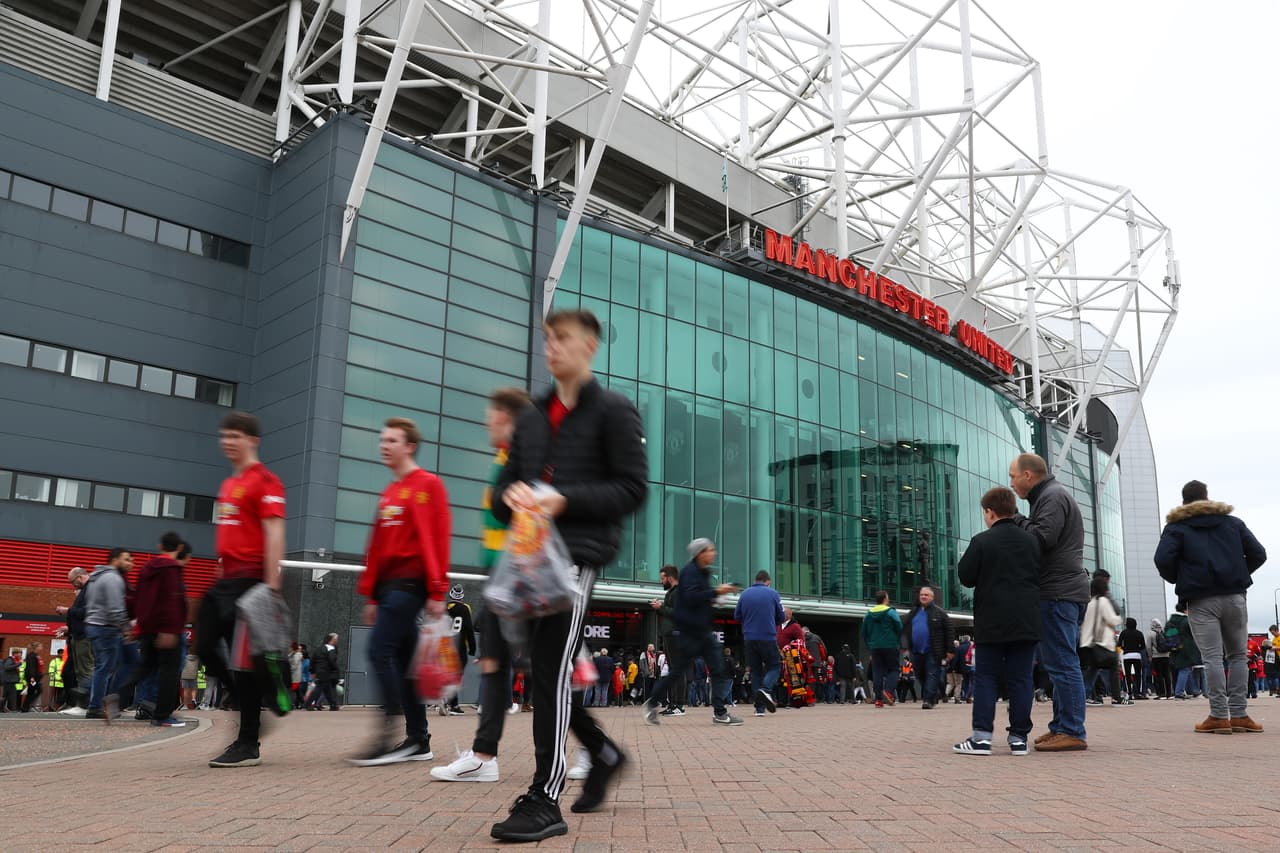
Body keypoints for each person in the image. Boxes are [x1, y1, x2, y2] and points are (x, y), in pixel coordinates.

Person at [487, 308, 647, 841]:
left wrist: (563, 499)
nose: (552, 347)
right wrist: (509, 496)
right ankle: (602, 753)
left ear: (590, 348)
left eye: (563, 339)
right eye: (548, 339)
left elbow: (632, 489)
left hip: (577, 557)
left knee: (553, 668)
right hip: (530, 564)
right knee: (545, 674)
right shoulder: (533, 415)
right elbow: (503, 489)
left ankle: (544, 796)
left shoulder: (614, 412)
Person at [432, 387, 534, 784]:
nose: (486, 422)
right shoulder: (504, 461)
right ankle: (483, 756)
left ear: (509, 421)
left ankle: (596, 749)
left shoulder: (523, 463)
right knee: (496, 667)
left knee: (537, 670)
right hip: (502, 582)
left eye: (492, 416)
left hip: (518, 582)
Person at [348, 417, 451, 765]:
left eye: (392, 440)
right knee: (406, 663)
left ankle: (386, 733)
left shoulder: (428, 485)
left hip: (412, 585)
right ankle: (418, 740)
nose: (384, 445)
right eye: (382, 439)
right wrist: (372, 595)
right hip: (389, 588)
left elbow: (437, 538)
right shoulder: (389, 493)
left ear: (409, 446)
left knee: (378, 650)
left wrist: (438, 590)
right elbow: (375, 548)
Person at [200, 411, 287, 768]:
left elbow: (274, 533)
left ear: (252, 440)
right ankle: (259, 694)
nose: (227, 442)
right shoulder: (228, 485)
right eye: (224, 436)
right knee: (203, 644)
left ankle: (248, 741)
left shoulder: (265, 481)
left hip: (253, 581)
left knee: (247, 664)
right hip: (226, 579)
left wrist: (271, 586)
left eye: (235, 436)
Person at [1154, 479, 1267, 733]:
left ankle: (1218, 716)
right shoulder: (1232, 523)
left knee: (1212, 658)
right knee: (1238, 656)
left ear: (1184, 502)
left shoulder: (1177, 527)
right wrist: (1236, 573)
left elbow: (1162, 560)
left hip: (1200, 599)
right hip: (1235, 596)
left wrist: (1182, 579)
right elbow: (1259, 553)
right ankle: (1239, 714)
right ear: (1207, 498)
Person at [1007, 453, 1089, 752]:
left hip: (1058, 592)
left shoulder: (1052, 497)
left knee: (1063, 663)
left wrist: (1016, 519)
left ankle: (1071, 730)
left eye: (1013, 475)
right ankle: (1061, 727)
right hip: (1062, 590)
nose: (1012, 482)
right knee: (1059, 663)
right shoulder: (1050, 496)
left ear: (1028, 475)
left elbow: (1042, 539)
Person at [953, 486, 1042, 755]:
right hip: (1026, 620)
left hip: (991, 621)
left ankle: (981, 737)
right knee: (1021, 679)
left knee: (986, 678)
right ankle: (1018, 738)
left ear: (990, 513)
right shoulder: (1032, 541)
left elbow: (965, 576)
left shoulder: (982, 541)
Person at [644, 539, 741, 727]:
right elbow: (691, 598)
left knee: (717, 669)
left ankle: (720, 713)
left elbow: (699, 600)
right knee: (679, 671)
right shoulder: (690, 572)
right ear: (700, 553)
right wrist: (716, 592)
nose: (714, 553)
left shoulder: (702, 572)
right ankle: (652, 702)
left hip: (701, 630)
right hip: (691, 631)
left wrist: (716, 597)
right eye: (710, 550)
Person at [112, 531, 189, 727]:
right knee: (169, 672)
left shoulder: (146, 568)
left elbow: (136, 598)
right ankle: (162, 715)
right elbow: (171, 599)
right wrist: (170, 629)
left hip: (146, 628)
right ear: (179, 548)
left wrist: (133, 624)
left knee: (144, 668)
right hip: (166, 630)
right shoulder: (171, 568)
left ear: (160, 546)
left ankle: (115, 697)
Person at [83, 548, 133, 721]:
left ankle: (92, 700)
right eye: (126, 559)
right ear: (114, 559)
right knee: (109, 668)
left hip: (94, 625)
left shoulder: (95, 577)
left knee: (103, 668)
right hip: (106, 627)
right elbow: (115, 608)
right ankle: (95, 705)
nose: (130, 563)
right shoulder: (113, 578)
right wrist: (126, 628)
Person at [734, 569, 785, 716]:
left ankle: (759, 708)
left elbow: (737, 616)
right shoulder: (773, 593)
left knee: (755, 671)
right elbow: (781, 617)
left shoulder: (744, 594)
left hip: (749, 637)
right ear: (767, 582)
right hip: (768, 636)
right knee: (775, 666)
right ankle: (766, 689)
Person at [901, 586, 952, 710]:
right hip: (916, 651)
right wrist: (904, 646)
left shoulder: (940, 613)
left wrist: (950, 650)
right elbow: (905, 630)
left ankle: (928, 700)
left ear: (932, 597)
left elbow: (949, 631)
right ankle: (933, 695)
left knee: (932, 674)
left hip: (933, 651)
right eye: (922, 595)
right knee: (920, 675)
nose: (923, 597)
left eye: (926, 595)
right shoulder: (912, 613)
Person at [1079, 574, 1125, 706]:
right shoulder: (1103, 601)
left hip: (1088, 644)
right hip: (1102, 644)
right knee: (1113, 668)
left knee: (1091, 671)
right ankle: (1116, 698)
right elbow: (1112, 619)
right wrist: (1119, 618)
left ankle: (1080, 696)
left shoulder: (1089, 603)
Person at [56, 567, 94, 714]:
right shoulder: (86, 589)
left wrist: (67, 611)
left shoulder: (90, 589)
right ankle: (84, 704)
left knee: (86, 669)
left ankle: (86, 705)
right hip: (78, 635)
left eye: (73, 582)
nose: (73, 585)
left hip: (84, 636)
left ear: (79, 577)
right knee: (81, 670)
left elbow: (87, 612)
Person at [650, 565, 686, 717]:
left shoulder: (678, 592)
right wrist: (660, 608)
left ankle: (678, 705)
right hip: (671, 634)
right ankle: (674, 704)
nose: (661, 581)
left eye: (663, 578)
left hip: (676, 634)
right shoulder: (672, 592)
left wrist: (661, 607)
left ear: (670, 578)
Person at [862, 591, 902, 708]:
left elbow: (864, 632)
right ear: (885, 599)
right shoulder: (891, 612)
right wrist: (897, 639)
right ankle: (888, 692)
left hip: (875, 647)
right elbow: (899, 626)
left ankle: (878, 700)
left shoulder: (868, 614)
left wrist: (870, 644)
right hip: (890, 645)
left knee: (877, 672)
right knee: (894, 669)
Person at [442, 585, 475, 716]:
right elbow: (468, 628)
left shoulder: (444, 609)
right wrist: (472, 647)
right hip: (459, 646)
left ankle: (445, 698)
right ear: (462, 597)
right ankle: (453, 704)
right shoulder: (465, 608)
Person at [1166, 603, 1200, 699]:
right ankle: (1179, 692)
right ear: (1185, 610)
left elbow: (1167, 634)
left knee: (1186, 669)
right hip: (1187, 649)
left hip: (1175, 648)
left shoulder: (1170, 621)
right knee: (1184, 669)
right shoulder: (1186, 621)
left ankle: (1193, 690)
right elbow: (1194, 634)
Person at [309, 634, 341, 710]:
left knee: (327, 690)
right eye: (334, 639)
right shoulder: (331, 648)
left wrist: (312, 671)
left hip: (320, 672)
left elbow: (313, 660)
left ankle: (333, 705)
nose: (335, 641)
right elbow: (332, 660)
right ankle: (308, 704)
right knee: (320, 689)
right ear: (330, 640)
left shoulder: (318, 649)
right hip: (326, 672)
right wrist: (336, 669)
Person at [1118, 618, 1146, 700]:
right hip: (1137, 655)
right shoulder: (1139, 633)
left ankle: (1129, 692)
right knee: (1138, 675)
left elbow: (1119, 644)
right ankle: (1138, 693)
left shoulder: (1123, 633)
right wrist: (1137, 648)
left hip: (1126, 655)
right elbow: (1143, 646)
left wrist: (1124, 648)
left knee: (1127, 675)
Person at [1147, 618, 1173, 699]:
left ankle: (1162, 694)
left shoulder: (1151, 634)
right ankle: (1169, 693)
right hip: (1166, 656)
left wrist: (1150, 656)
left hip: (1156, 657)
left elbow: (1148, 647)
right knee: (1167, 675)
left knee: (1159, 676)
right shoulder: (1165, 632)